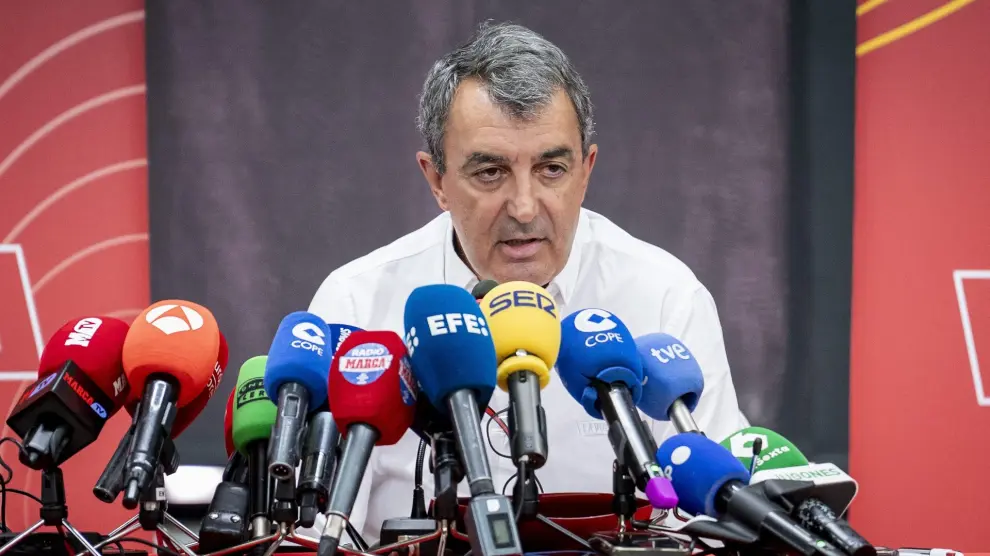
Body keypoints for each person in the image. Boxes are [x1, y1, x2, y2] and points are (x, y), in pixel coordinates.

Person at [307, 21, 749, 547]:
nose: (523, 207)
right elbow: (317, 535)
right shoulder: (357, 303)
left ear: (586, 170)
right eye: (490, 172)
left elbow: (717, 529)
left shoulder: (664, 297)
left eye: (551, 169)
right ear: (436, 181)